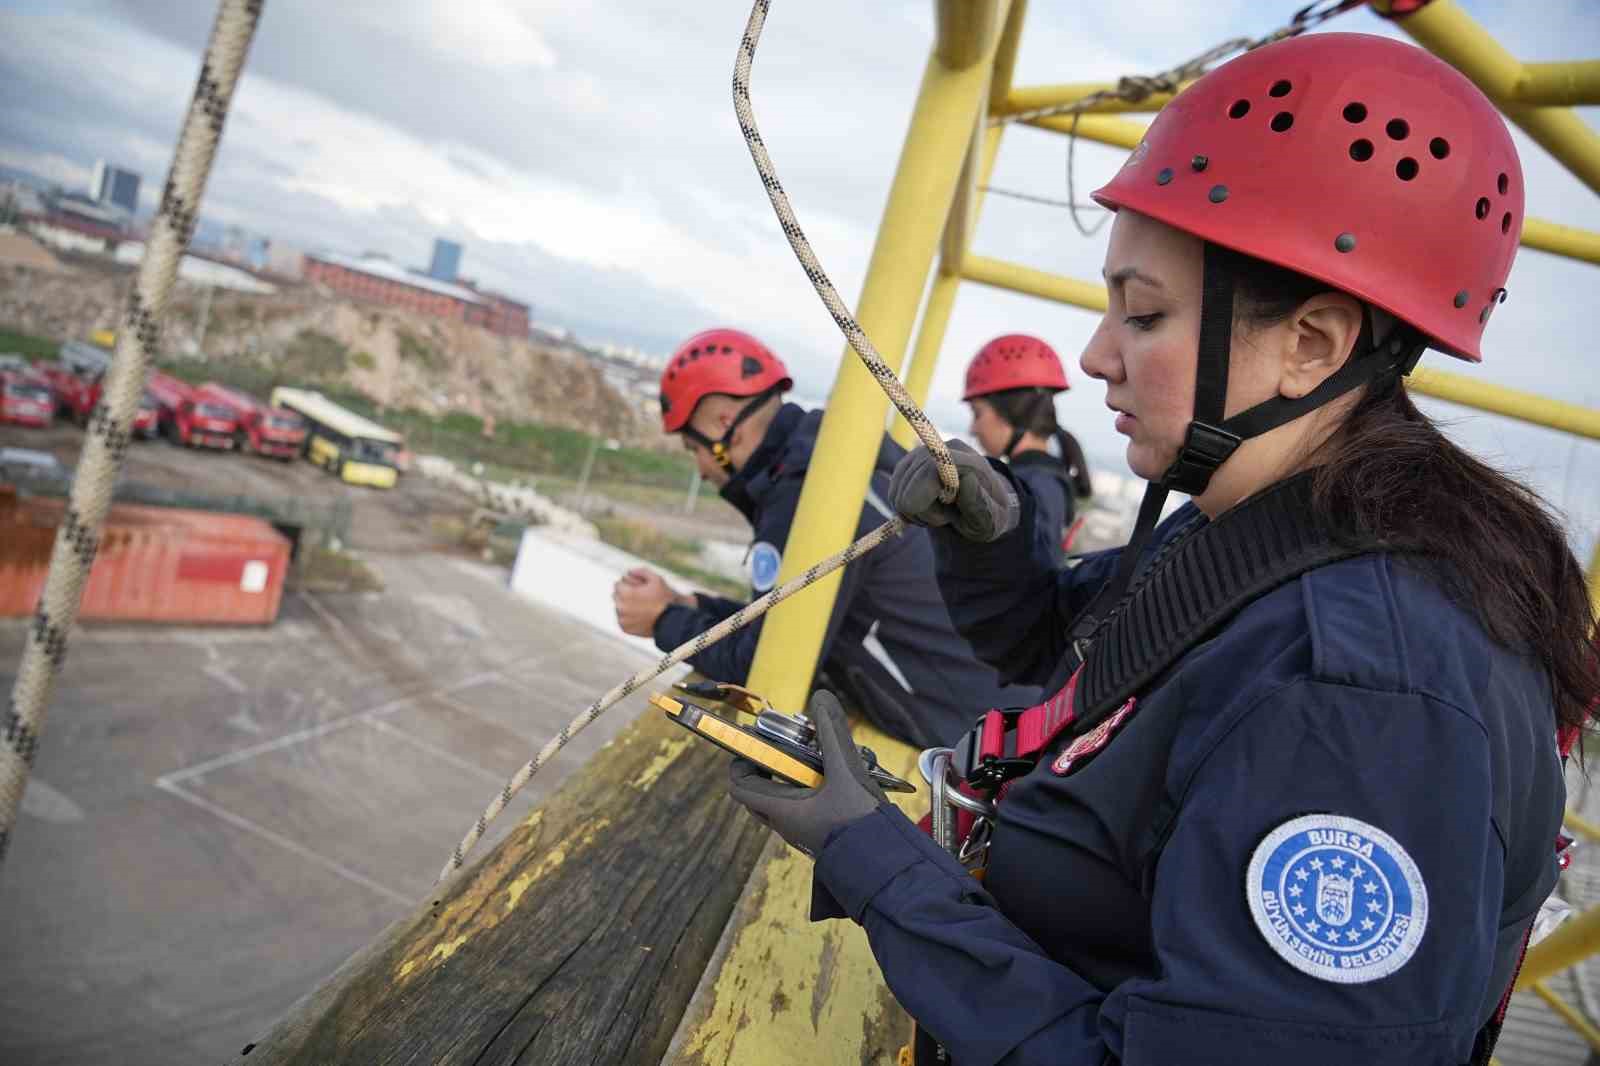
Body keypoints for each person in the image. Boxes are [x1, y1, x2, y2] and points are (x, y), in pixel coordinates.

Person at [726, 33, 1597, 1065]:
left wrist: (878, 864)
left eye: (1143, 312)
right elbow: (1082, 658)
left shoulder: (1360, 696)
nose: (1095, 355)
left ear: (1311, 343)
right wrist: (992, 544)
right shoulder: (1264, 530)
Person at [612, 327, 1037, 748]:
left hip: (982, 745)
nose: (701, 469)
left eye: (695, 448)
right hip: (1009, 710)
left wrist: (664, 620)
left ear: (725, 425)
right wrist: (691, 606)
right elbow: (786, 621)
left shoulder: (805, 495)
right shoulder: (831, 458)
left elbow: (765, 665)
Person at [963, 334, 1093, 560]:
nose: (973, 429)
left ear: (1009, 413)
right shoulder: (1044, 480)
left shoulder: (1030, 487)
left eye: (977, 414)